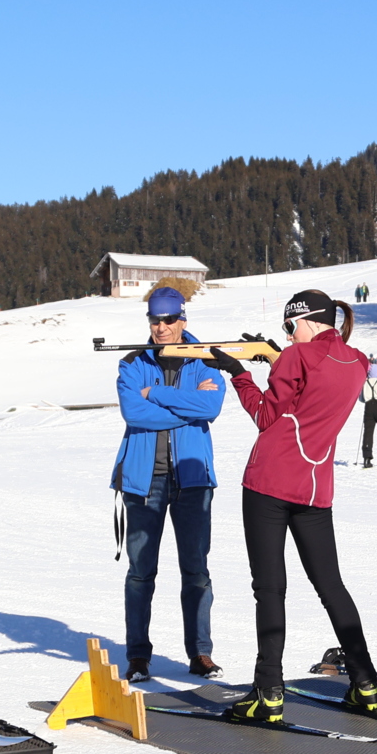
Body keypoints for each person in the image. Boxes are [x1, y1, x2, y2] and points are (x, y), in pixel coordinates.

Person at [203, 289, 377, 725]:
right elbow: (313, 390)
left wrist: (238, 374)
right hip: (316, 487)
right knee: (332, 586)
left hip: (269, 481)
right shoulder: (356, 363)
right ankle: (366, 684)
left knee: (270, 588)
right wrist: (276, 358)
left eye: (290, 326)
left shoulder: (295, 359)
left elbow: (267, 416)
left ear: (307, 321)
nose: (289, 334)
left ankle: (268, 691)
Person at [111, 286, 226, 683]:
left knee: (196, 571)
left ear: (183, 321)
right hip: (144, 481)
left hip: (193, 480)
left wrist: (157, 394)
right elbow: (134, 413)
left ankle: (201, 654)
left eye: (168, 320)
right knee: (141, 572)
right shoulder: (131, 363)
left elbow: (211, 407)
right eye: (154, 321)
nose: (161, 328)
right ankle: (138, 657)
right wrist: (185, 408)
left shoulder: (206, 360)